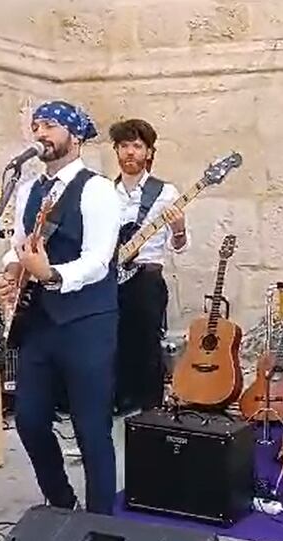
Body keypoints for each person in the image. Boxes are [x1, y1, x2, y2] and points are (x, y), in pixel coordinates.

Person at [0, 100, 121, 515]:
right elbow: (18, 245)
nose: (40, 133)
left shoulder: (98, 189)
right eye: (36, 125)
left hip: (87, 322)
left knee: (91, 429)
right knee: (29, 420)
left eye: (50, 125)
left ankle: (103, 522)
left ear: (76, 135)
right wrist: (13, 271)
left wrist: (50, 274)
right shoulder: (29, 188)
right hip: (39, 323)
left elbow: (98, 259)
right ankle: (62, 503)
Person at [109, 118, 189, 413]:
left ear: (149, 152)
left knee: (147, 343)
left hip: (146, 277)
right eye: (124, 146)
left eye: (137, 146)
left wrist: (179, 228)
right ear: (116, 151)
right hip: (110, 277)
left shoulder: (165, 192)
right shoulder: (104, 192)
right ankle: (119, 399)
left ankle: (149, 407)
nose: (130, 152)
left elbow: (178, 246)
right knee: (112, 341)